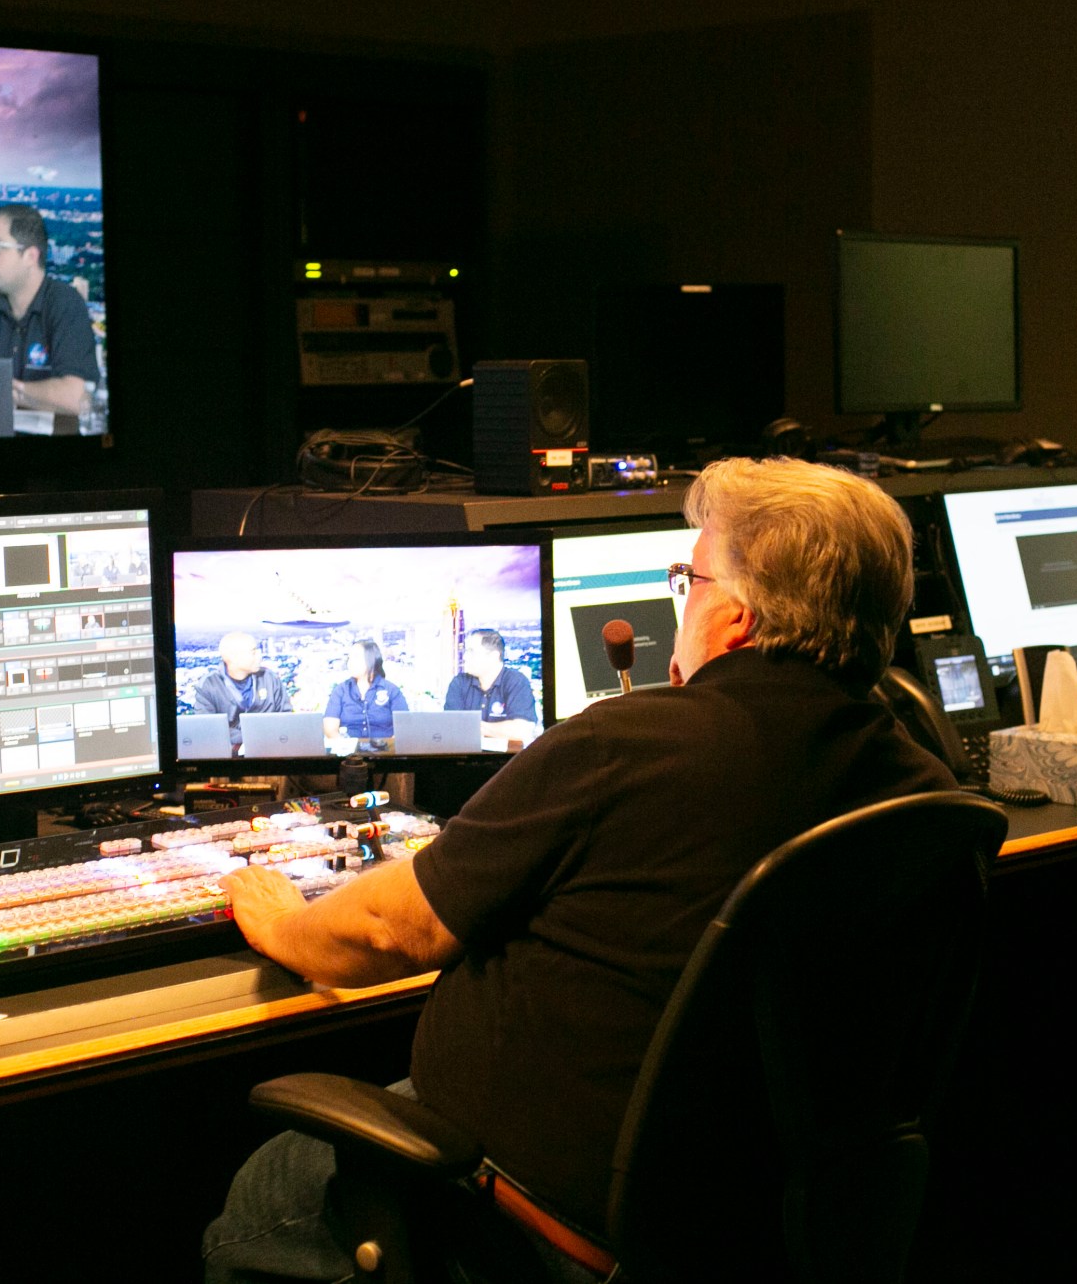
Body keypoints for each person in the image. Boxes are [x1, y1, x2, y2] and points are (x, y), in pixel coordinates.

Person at [206, 457, 955, 1281]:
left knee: (258, 1196)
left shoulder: (623, 745)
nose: (684, 600)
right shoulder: (925, 788)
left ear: (735, 619)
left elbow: (391, 929)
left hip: (543, 1216)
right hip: (773, 1218)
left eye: (689, 579)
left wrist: (281, 920)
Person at [0, 203, 96, 416]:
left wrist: (11, 392)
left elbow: (77, 398)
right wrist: (38, 396)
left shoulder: (66, 303)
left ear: (30, 256)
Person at [187, 632, 294, 752]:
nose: (260, 656)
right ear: (233, 657)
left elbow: (286, 717)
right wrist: (250, 737)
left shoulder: (270, 678)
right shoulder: (208, 685)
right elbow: (206, 728)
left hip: (270, 751)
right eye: (253, 652)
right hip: (227, 758)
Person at [441, 628, 538, 745]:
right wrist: (499, 730)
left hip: (507, 759)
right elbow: (450, 727)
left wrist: (470, 727)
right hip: (465, 758)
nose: (465, 657)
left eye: (471, 651)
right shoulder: (459, 682)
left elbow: (523, 730)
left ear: (493, 656)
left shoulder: (516, 681)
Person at [321, 639, 408, 746]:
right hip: (349, 754)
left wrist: (388, 748)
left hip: (385, 753)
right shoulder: (340, 690)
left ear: (371, 659)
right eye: (349, 658)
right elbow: (330, 729)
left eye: (356, 658)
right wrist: (346, 747)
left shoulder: (391, 690)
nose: (350, 663)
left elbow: (404, 728)